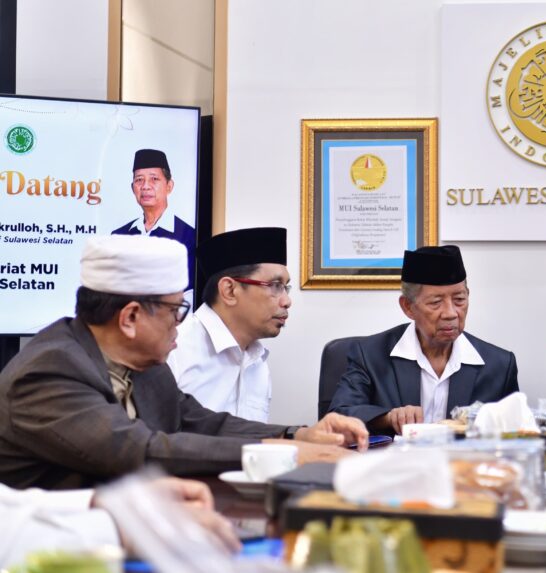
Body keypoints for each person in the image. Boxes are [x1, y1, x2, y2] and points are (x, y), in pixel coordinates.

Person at [0, 235, 367, 490]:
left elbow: (202, 422)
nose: (181, 322)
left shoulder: (145, 363)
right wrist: (286, 454)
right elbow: (141, 449)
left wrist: (297, 435)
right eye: (176, 310)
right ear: (129, 318)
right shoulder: (50, 370)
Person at [328, 245, 519, 434]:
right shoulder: (369, 355)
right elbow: (338, 416)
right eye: (436, 302)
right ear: (408, 307)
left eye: (459, 300)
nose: (451, 313)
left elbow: (516, 430)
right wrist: (388, 418)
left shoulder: (500, 365)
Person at [168, 227, 290, 422]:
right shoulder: (174, 351)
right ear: (229, 290)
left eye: (286, 288)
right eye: (275, 286)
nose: (287, 301)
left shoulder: (257, 361)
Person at [0, 476, 240, 567]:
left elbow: (8, 503)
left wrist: (106, 502)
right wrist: (129, 525)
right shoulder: (49, 368)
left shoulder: (154, 377)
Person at [112, 149, 196, 288]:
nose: (145, 186)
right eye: (139, 180)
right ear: (133, 188)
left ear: (169, 186)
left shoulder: (189, 237)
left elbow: (189, 293)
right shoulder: (119, 236)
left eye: (154, 179)